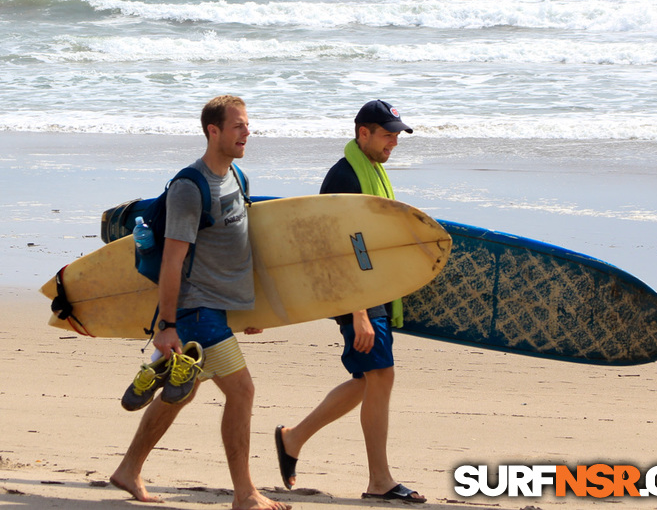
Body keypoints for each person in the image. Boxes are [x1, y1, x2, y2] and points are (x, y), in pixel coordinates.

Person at [110, 96, 290, 510]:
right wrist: (168, 325)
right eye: (238, 126)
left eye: (247, 125)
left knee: (184, 394)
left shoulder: (237, 176)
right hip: (194, 309)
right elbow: (173, 262)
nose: (247, 133)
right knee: (242, 391)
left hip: (219, 307)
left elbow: (236, 249)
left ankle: (128, 469)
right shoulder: (190, 188)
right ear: (214, 131)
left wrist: (250, 308)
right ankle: (245, 494)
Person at [274, 100, 426, 504]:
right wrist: (358, 311)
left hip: (370, 289)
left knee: (366, 381)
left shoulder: (371, 170)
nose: (394, 141)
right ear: (363, 133)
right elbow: (335, 248)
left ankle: (293, 439)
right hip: (353, 291)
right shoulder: (345, 176)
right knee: (381, 376)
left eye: (397, 134)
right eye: (387, 134)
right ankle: (380, 480)